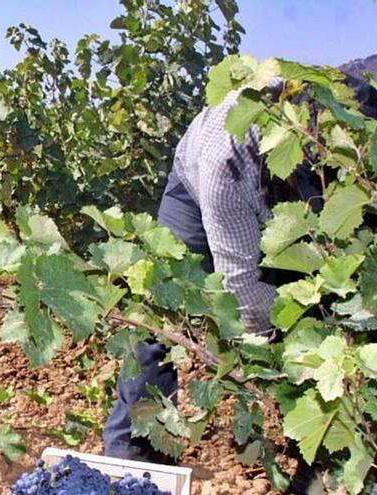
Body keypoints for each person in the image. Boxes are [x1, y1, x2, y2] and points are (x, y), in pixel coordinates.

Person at [102, 72, 377, 474]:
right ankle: (133, 460)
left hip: (275, 179)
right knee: (160, 311)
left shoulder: (353, 106)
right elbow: (244, 285)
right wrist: (290, 351)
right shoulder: (227, 167)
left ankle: (327, 448)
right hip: (198, 184)